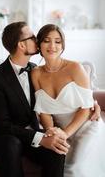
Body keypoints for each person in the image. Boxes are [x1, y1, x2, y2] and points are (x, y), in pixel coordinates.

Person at [0, 22, 70, 177]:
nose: (37, 39)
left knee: (57, 149)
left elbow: (60, 94)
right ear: (21, 45)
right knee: (11, 144)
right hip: (3, 137)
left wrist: (91, 104)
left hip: (30, 134)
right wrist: (40, 138)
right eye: (32, 37)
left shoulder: (37, 70)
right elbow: (2, 125)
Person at [31, 24, 105, 177]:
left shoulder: (75, 68)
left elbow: (86, 107)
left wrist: (65, 133)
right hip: (60, 131)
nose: (52, 46)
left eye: (58, 41)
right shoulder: (36, 73)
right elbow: (43, 110)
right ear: (39, 45)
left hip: (86, 125)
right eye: (47, 41)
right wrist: (51, 132)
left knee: (74, 168)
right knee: (59, 167)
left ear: (63, 45)